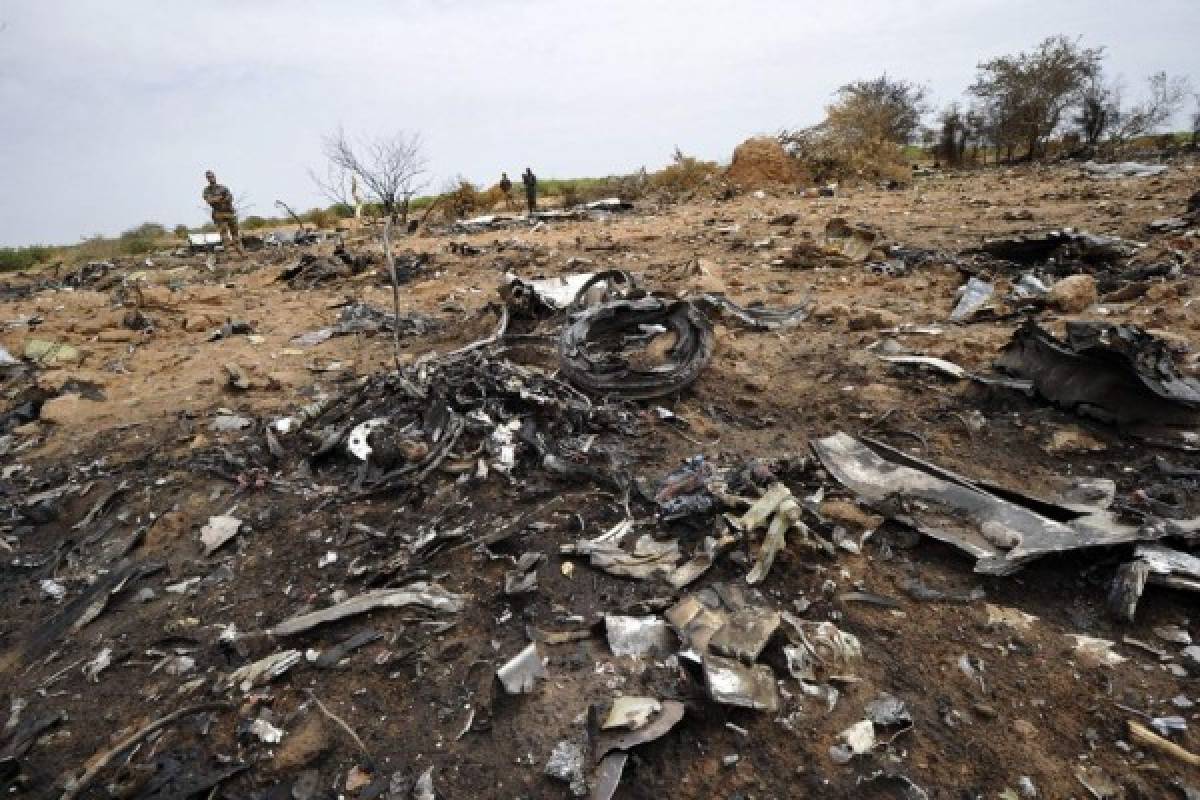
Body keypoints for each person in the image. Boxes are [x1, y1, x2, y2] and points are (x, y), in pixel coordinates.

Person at [201, 170, 246, 256]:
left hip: (229, 212)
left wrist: (218, 199)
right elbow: (210, 200)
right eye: (209, 177)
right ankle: (230, 254)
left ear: (215, 176)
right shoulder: (206, 190)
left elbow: (230, 198)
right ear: (207, 179)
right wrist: (220, 198)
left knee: (235, 233)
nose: (211, 178)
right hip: (218, 214)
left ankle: (241, 252)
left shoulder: (223, 187)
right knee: (224, 235)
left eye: (212, 176)